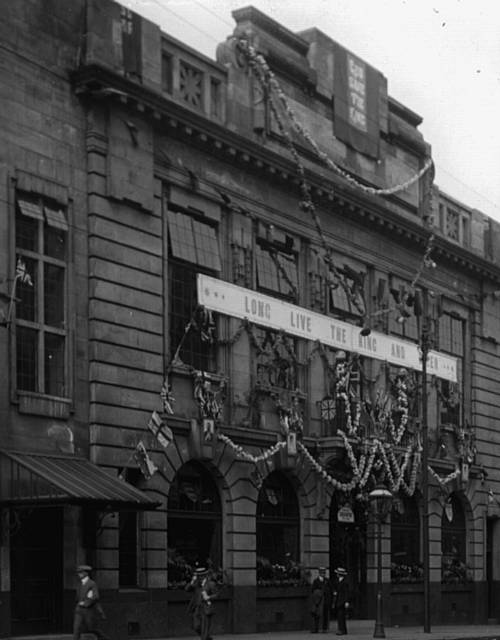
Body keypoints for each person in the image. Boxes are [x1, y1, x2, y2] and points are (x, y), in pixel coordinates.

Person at [73, 564, 110, 640]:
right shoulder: (79, 584)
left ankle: (103, 637)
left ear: (86, 573)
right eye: (78, 572)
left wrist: (86, 603)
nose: (79, 574)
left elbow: (95, 596)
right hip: (79, 609)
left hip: (88, 610)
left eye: (81, 572)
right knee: (76, 628)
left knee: (91, 628)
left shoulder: (91, 584)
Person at [185, 566, 218, 640]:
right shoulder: (195, 584)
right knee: (195, 626)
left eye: (201, 576)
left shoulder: (210, 584)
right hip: (197, 608)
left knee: (204, 628)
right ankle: (207, 638)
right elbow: (187, 589)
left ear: (205, 575)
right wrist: (192, 581)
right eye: (198, 576)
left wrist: (209, 597)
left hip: (206, 609)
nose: (200, 577)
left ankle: (205, 637)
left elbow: (216, 595)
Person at [310, 567, 333, 633]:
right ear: (319, 573)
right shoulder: (316, 581)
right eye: (322, 572)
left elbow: (330, 589)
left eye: (324, 572)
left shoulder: (327, 581)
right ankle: (316, 628)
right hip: (318, 601)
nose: (323, 574)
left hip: (325, 600)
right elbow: (313, 590)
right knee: (317, 615)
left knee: (325, 614)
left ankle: (324, 628)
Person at [333, 567, 350, 636]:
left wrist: (346, 601)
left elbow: (346, 593)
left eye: (337, 573)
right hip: (338, 600)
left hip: (342, 601)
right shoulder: (337, 581)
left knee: (341, 616)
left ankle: (341, 630)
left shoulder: (345, 582)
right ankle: (343, 630)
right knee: (340, 616)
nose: (336, 574)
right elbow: (335, 588)